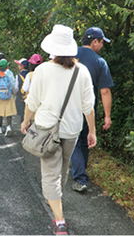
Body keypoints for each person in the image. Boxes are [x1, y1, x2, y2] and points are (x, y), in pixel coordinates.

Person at [21, 24, 96, 235]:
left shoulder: (43, 70)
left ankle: (60, 221)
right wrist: (92, 131)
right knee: (61, 170)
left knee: (50, 173)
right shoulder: (82, 71)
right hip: (71, 130)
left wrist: (26, 121)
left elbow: (32, 103)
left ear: (52, 47)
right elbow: (88, 105)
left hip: (46, 130)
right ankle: (56, 200)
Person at [71, 27, 114, 192]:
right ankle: (80, 177)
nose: (102, 46)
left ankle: (79, 173)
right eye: (102, 42)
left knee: (74, 140)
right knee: (83, 140)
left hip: (66, 107)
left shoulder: (68, 55)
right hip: (87, 109)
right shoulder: (99, 62)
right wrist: (107, 116)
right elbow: (105, 91)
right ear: (94, 41)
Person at [0, 58, 17, 136]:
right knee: (9, 112)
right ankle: (8, 127)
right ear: (6, 67)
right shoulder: (9, 74)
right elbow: (13, 85)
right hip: (8, 95)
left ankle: (0, 128)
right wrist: (14, 93)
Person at [14, 58, 29, 123]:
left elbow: (16, 87)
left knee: (22, 112)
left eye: (19, 65)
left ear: (22, 66)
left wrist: (15, 93)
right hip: (29, 96)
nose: (18, 66)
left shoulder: (18, 76)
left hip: (20, 96)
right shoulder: (30, 74)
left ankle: (23, 125)